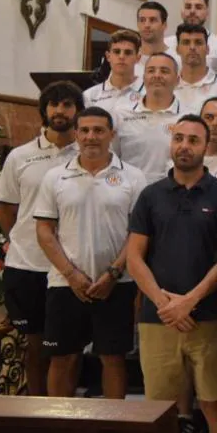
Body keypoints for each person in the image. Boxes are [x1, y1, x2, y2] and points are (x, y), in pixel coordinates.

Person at [121, 114, 217, 433]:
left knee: (213, 406)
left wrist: (190, 300)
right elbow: (135, 256)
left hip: (207, 318)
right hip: (158, 320)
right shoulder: (152, 195)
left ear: (206, 146)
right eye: (179, 138)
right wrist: (164, 302)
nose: (185, 145)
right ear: (171, 143)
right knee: (160, 411)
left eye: (194, 139)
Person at [34, 106, 147, 400]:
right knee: (63, 358)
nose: (91, 137)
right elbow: (45, 231)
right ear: (75, 134)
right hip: (65, 283)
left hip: (117, 285)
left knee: (113, 358)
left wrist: (112, 273)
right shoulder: (55, 177)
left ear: (112, 134)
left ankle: (112, 430)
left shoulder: (133, 178)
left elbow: (138, 233)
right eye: (84, 130)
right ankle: (61, 428)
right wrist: (72, 275)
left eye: (98, 130)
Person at [0, 80, 83, 396]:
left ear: (77, 111)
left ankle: (66, 417)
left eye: (67, 104)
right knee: (34, 346)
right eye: (54, 104)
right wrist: (22, 242)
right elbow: (7, 209)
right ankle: (35, 413)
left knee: (66, 350)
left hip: (70, 268)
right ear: (44, 110)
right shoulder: (20, 156)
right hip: (27, 265)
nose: (60, 110)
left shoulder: (86, 155)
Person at [110, 52, 182, 183]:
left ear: (177, 80)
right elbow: (112, 157)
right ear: (143, 78)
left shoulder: (188, 117)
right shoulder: (120, 114)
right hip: (130, 192)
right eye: (151, 71)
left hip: (172, 194)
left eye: (164, 71)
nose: (157, 75)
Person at [164, 0, 217, 70]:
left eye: (198, 7)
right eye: (188, 7)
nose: (192, 11)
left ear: (207, 12)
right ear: (182, 11)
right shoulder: (166, 44)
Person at [84, 29, 144, 108]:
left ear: (138, 58)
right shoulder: (89, 96)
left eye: (128, 52)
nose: (121, 57)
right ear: (108, 56)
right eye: (116, 51)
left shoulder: (150, 94)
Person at [173, 23, 217, 113]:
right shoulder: (168, 85)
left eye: (198, 43)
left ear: (207, 49)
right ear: (177, 49)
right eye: (186, 43)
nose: (192, 47)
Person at [133, 1, 173, 79]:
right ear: (137, 24)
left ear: (164, 25)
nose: (147, 25)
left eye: (152, 20)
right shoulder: (128, 59)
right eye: (142, 20)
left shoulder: (176, 60)